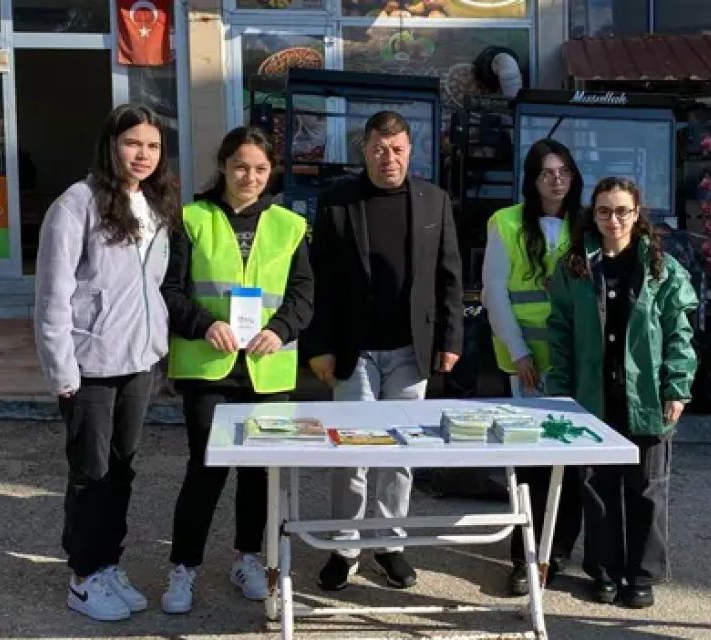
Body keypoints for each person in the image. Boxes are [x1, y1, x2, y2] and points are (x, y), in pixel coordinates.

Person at [303, 110, 464, 592]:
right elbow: (320, 283)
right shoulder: (336, 202)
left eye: (396, 149)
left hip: (410, 350)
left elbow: (450, 276)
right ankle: (345, 547)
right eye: (378, 148)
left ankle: (390, 544)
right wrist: (319, 346)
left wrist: (451, 341)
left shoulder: (434, 200)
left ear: (410, 151)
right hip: (354, 351)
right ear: (365, 149)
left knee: (399, 452)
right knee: (349, 452)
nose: (387, 158)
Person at [159, 126, 313, 614]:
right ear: (223, 164)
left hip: (267, 367)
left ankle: (247, 557)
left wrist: (282, 329)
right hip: (210, 367)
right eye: (241, 166)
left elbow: (304, 295)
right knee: (205, 471)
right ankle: (183, 568)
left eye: (261, 168)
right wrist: (204, 324)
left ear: (272, 172)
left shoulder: (291, 225)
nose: (250, 176)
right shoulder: (191, 218)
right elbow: (169, 290)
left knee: (259, 476)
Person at [34, 103, 177, 621]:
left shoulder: (155, 204)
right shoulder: (76, 204)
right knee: (89, 474)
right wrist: (62, 372)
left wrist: (158, 348)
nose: (143, 155)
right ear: (111, 145)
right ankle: (83, 575)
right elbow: (52, 295)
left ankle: (108, 563)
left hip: (138, 360)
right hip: (90, 364)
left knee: (122, 470)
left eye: (153, 146)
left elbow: (152, 286)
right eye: (133, 143)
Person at [546, 177, 698, 609]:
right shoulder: (575, 266)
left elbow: (679, 333)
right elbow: (559, 332)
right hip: (592, 394)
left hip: (647, 395)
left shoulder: (661, 267)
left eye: (622, 211)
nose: (613, 220)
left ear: (637, 214)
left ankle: (641, 575)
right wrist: (559, 391)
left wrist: (677, 387)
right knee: (597, 485)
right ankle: (605, 571)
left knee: (647, 488)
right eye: (604, 211)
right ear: (591, 215)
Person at [481, 138, 585, 596]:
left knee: (573, 461)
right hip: (527, 366)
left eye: (563, 170)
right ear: (531, 178)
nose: (556, 179)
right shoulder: (505, 223)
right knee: (531, 466)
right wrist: (520, 351)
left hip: (577, 364)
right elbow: (494, 292)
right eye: (547, 172)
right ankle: (526, 556)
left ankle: (558, 552)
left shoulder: (588, 222)